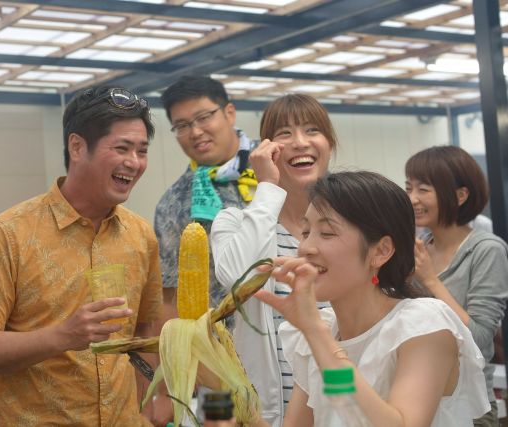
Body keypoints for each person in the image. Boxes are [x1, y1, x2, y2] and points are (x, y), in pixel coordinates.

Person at [0, 87, 164, 426]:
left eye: (142, 151)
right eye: (122, 148)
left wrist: (145, 407)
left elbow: (145, 330)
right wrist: (62, 336)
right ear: (77, 147)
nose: (134, 162)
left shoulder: (141, 236)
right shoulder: (7, 234)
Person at [257, 171, 490, 426]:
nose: (305, 248)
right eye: (305, 232)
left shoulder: (424, 325)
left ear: (381, 251)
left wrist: (315, 332)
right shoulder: (320, 331)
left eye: (327, 233)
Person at [210, 93, 337, 426]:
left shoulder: (353, 227)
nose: (300, 142)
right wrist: (266, 186)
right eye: (285, 133)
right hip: (268, 414)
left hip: (341, 400)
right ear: (266, 150)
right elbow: (238, 278)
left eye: (312, 130)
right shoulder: (234, 222)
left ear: (330, 144)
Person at [405, 145, 508, 426]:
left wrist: (429, 279)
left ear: (460, 195)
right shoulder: (419, 248)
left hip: (470, 405)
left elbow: (480, 338)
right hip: (419, 399)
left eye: (423, 189)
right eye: (409, 187)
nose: (412, 198)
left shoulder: (487, 250)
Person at [154, 76, 258, 321]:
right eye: (182, 125)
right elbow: (171, 294)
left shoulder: (280, 161)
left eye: (203, 117)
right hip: (222, 340)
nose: (196, 132)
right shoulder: (174, 204)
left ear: (229, 113)